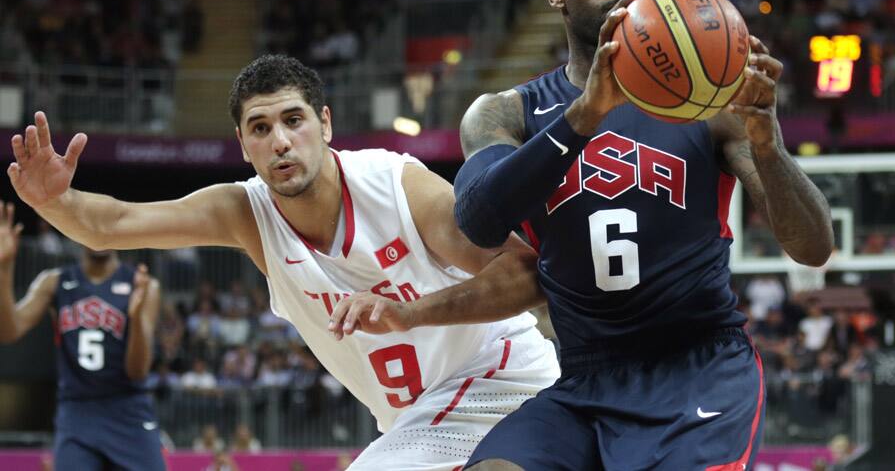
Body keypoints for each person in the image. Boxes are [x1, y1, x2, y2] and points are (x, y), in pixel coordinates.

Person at [335, 0, 834, 469]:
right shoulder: (505, 113)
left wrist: (767, 141)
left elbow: (813, 247)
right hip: (584, 379)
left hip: (697, 365)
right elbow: (479, 220)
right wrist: (585, 114)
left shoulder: (708, 107)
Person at [7, 54, 559, 471]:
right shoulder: (244, 213)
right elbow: (114, 225)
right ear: (243, 144)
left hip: (498, 376)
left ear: (325, 123)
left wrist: (412, 314)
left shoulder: (395, 185)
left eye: (293, 120)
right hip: (418, 417)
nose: (280, 142)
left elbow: (522, 271)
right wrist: (54, 200)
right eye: (260, 128)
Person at [0, 203, 164, 470]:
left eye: (105, 222)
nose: (98, 231)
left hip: (127, 408)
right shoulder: (53, 281)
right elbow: (9, 330)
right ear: (74, 230)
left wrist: (133, 318)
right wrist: (4, 268)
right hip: (77, 410)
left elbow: (138, 371)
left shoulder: (143, 285)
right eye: (89, 223)